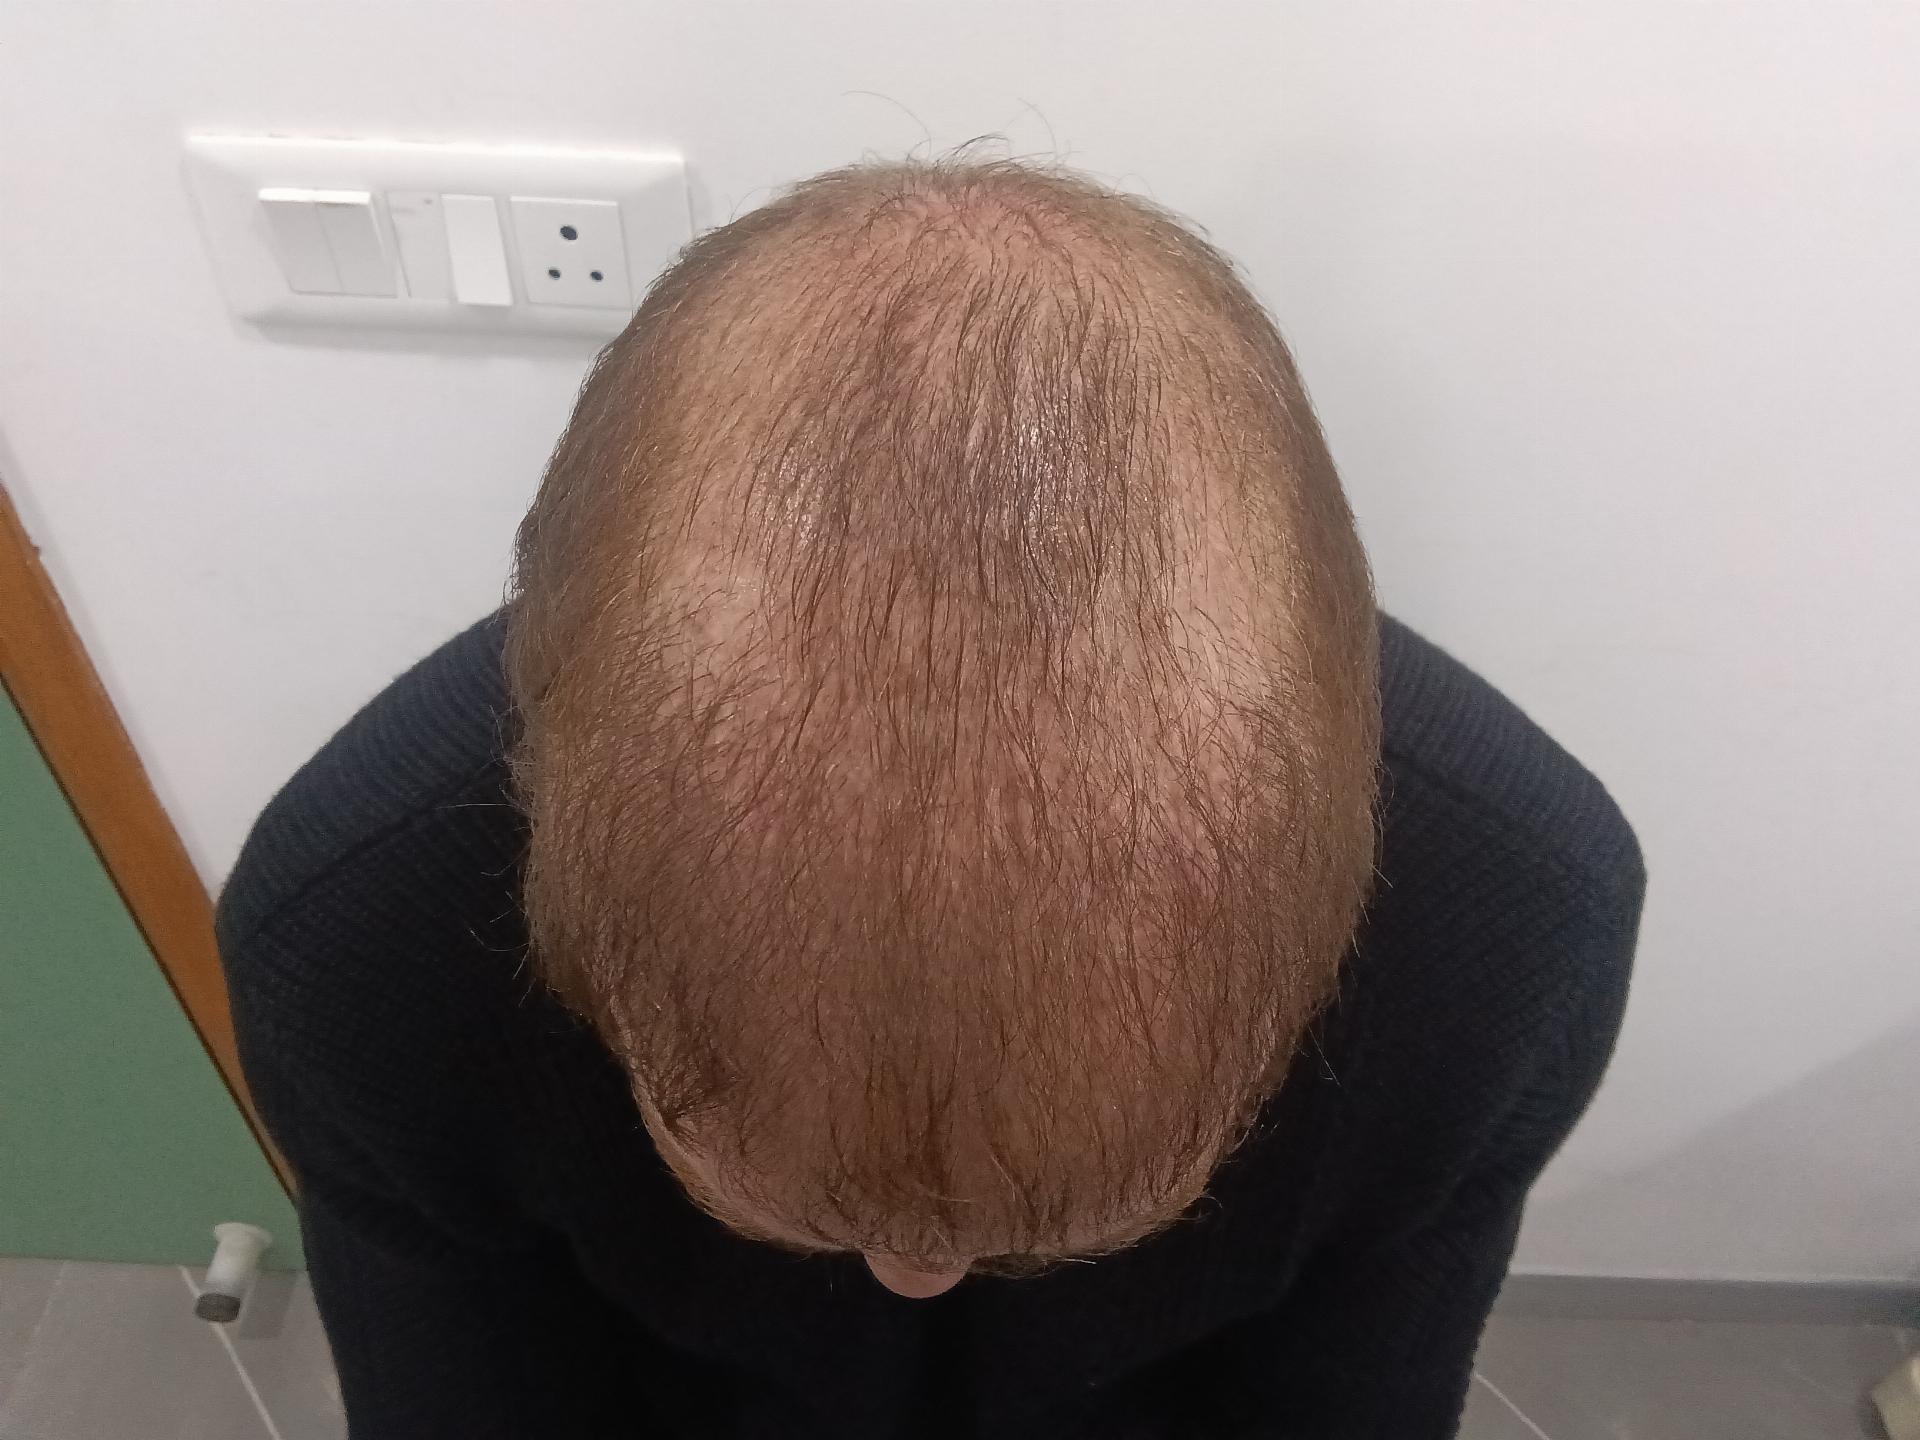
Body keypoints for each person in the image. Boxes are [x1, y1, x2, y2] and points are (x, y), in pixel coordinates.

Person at [217, 157, 1644, 1440]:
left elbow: (1347, 1408)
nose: (915, 1276)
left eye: (1055, 1227)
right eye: (812, 1215)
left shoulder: (1517, 933)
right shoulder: (350, 948)